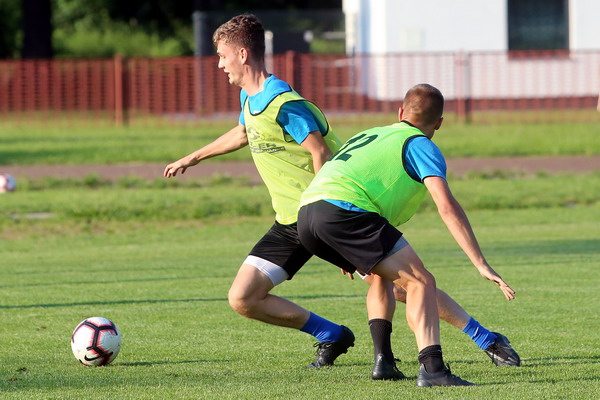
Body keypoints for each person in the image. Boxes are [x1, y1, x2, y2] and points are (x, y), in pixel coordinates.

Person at [165, 14, 519, 379]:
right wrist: (193, 157)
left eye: (222, 55)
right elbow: (242, 133)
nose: (219, 64)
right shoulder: (250, 98)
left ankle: (483, 339)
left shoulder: (285, 104)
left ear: (242, 54)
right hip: (294, 221)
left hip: (329, 209)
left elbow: (320, 152)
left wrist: (329, 225)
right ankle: (332, 335)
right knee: (243, 298)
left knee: (404, 285)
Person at [297, 83, 517, 386]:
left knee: (386, 279)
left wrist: (336, 241)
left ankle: (384, 362)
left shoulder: (371, 133)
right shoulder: (419, 144)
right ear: (439, 123)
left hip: (307, 216)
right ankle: (433, 370)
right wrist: (480, 263)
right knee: (421, 282)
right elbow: (447, 206)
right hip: (343, 213)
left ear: (400, 112)